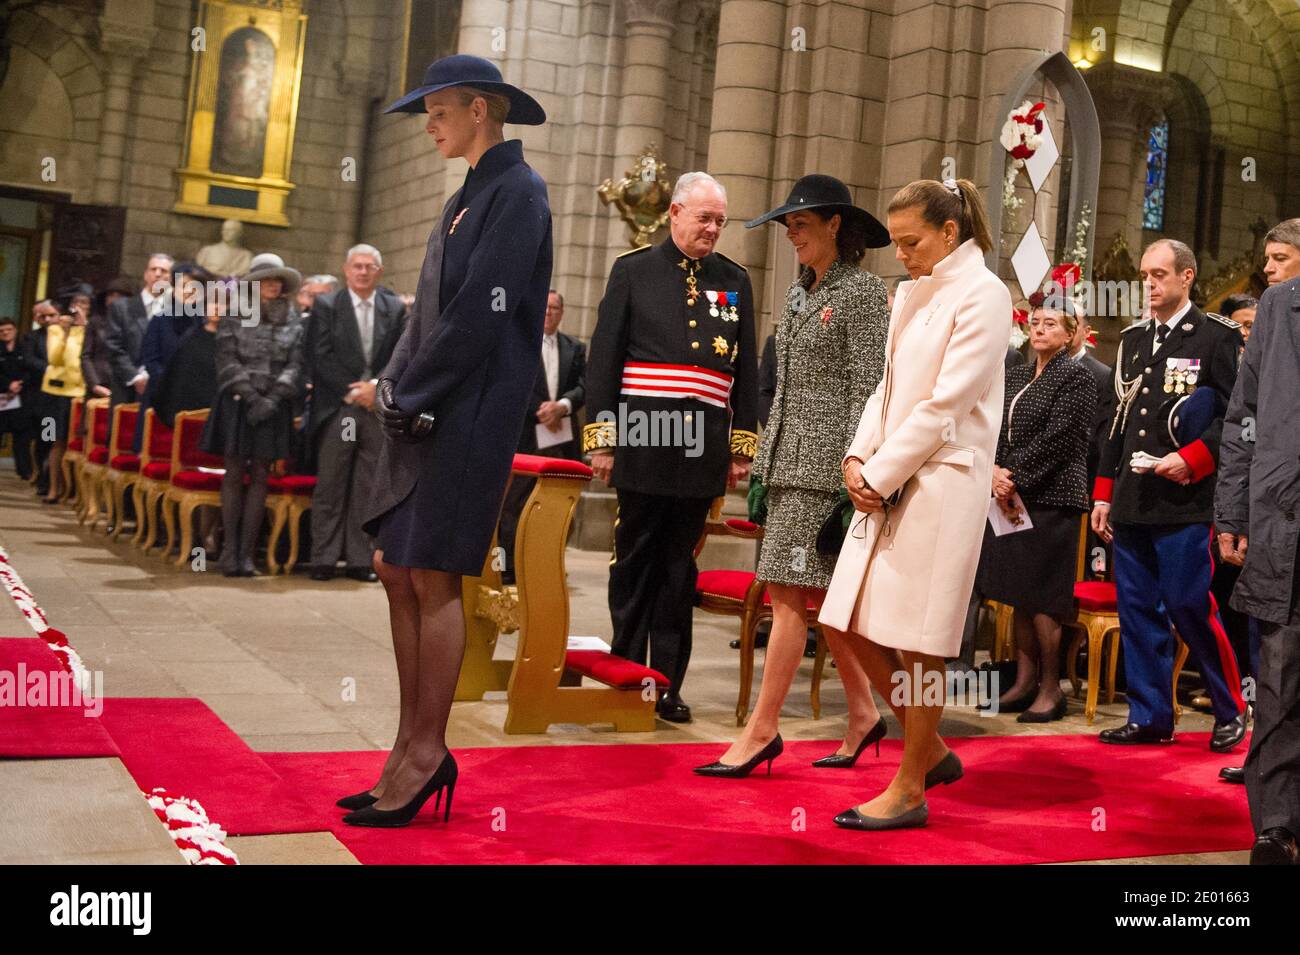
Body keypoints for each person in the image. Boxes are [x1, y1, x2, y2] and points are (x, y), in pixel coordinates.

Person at [340, 54, 552, 828]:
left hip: (471, 417)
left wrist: (414, 392)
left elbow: (479, 317)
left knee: (432, 575)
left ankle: (427, 752)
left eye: (437, 112)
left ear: (479, 110)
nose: (428, 126)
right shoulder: (469, 193)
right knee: (395, 566)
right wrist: (394, 385)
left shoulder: (519, 192)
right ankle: (406, 744)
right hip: (429, 410)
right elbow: (424, 313)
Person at [818, 177, 1010, 831]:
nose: (899, 253)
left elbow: (947, 403)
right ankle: (930, 746)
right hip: (891, 473)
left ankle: (909, 784)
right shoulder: (910, 292)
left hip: (943, 480)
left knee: (922, 641)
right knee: (841, 617)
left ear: (950, 232)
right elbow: (887, 387)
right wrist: (857, 455)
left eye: (910, 241)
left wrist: (882, 470)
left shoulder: (985, 294)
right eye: (896, 242)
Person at [693, 173, 891, 777]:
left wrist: (853, 473)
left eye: (801, 225)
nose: (792, 235)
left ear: (836, 226)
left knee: (785, 596)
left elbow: (870, 390)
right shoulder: (804, 293)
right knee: (820, 603)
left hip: (826, 469)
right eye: (788, 227)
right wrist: (763, 461)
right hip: (786, 465)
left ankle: (761, 731)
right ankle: (863, 715)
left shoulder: (861, 293)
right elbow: (779, 387)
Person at [584, 170, 759, 723]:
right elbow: (604, 360)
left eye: (720, 222)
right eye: (704, 218)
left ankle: (668, 685)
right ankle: (628, 671)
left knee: (678, 567)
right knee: (635, 557)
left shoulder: (733, 280)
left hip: (702, 444)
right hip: (643, 435)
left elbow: (746, 373)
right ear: (675, 213)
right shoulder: (632, 270)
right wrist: (603, 442)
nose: (712, 229)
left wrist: (741, 448)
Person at [1091, 239, 1246, 751]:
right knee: (1137, 609)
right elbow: (1119, 422)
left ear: (1187, 276)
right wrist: (1104, 494)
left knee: (1187, 604)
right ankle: (1151, 715)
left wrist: (1195, 458)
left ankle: (1230, 708)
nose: (1150, 285)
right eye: (1144, 276)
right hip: (1135, 498)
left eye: (1159, 275)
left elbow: (1237, 418)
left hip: (1186, 499)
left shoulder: (1216, 337)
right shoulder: (1134, 340)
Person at [975, 296, 1096, 721]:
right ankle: (1024, 683)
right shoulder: (1019, 373)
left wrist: (1013, 476)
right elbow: (997, 430)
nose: (1040, 328)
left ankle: (1051, 688)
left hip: (1052, 498)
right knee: (1019, 595)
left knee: (1044, 598)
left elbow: (1061, 439)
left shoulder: (1076, 378)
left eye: (1050, 324)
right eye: (1035, 322)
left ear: (1069, 334)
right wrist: (995, 471)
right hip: (1013, 497)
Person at [1215, 272, 1300, 864]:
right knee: (1278, 683)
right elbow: (1242, 417)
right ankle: (1276, 828)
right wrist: (1232, 511)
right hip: (1281, 525)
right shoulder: (1280, 305)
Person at [201, 253, 306, 577]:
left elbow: (297, 363)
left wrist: (273, 398)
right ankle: (228, 552)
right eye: (268, 279)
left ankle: (246, 555)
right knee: (233, 473)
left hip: (275, 404)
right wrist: (250, 396)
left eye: (278, 280)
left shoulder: (293, 316)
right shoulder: (234, 313)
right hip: (238, 402)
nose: (274, 285)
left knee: (261, 475)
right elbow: (226, 358)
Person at [307, 245, 407, 581]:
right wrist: (353, 391)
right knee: (331, 482)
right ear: (346, 270)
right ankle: (323, 556)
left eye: (370, 267)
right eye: (357, 266)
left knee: (368, 485)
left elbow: (400, 355)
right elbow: (319, 356)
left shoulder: (393, 308)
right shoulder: (326, 305)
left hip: (375, 406)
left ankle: (359, 559)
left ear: (379, 271)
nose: (363, 272)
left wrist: (375, 387)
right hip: (340, 405)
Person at [496, 288, 586, 585]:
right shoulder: (519, 345)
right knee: (515, 503)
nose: (548, 313)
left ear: (562, 312)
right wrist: (540, 408)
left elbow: (585, 386)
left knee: (557, 502)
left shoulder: (574, 347)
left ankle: (545, 562)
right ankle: (508, 566)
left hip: (561, 437)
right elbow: (510, 382)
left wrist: (562, 406)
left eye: (554, 309)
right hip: (525, 434)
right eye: (544, 308)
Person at [133, 264, 211, 451]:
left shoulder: (205, 324)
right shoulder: (160, 320)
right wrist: (169, 383)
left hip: (195, 398)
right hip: (160, 395)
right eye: (183, 286)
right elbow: (150, 358)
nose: (188, 291)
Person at [40, 284, 93, 503]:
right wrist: (65, 333)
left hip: (80, 393)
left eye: (84, 305)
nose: (79, 308)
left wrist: (84, 327)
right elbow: (54, 359)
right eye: (76, 304)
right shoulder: (55, 328)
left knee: (77, 442)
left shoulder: (91, 330)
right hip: (54, 393)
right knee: (52, 439)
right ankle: (51, 486)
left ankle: (73, 491)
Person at [105, 254, 173, 406]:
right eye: (153, 269)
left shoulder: (175, 311)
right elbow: (113, 346)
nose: (157, 274)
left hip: (160, 391)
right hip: (126, 387)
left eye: (163, 271)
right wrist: (135, 377)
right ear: (145, 274)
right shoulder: (122, 307)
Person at [22, 300, 58, 496]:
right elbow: (29, 360)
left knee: (52, 439)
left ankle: (49, 479)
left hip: (59, 397)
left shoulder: (68, 337)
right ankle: (42, 478)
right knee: (44, 438)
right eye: (45, 316)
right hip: (41, 397)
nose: (48, 319)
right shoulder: (33, 337)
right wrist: (53, 370)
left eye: (52, 315)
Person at [0, 317, 38, 480]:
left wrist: (19, 384)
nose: (5, 333)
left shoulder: (25, 348)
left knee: (22, 435)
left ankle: (25, 471)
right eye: (2, 331)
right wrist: (8, 384)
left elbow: (31, 369)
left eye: (8, 329)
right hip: (2, 395)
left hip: (23, 396)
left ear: (15, 330)